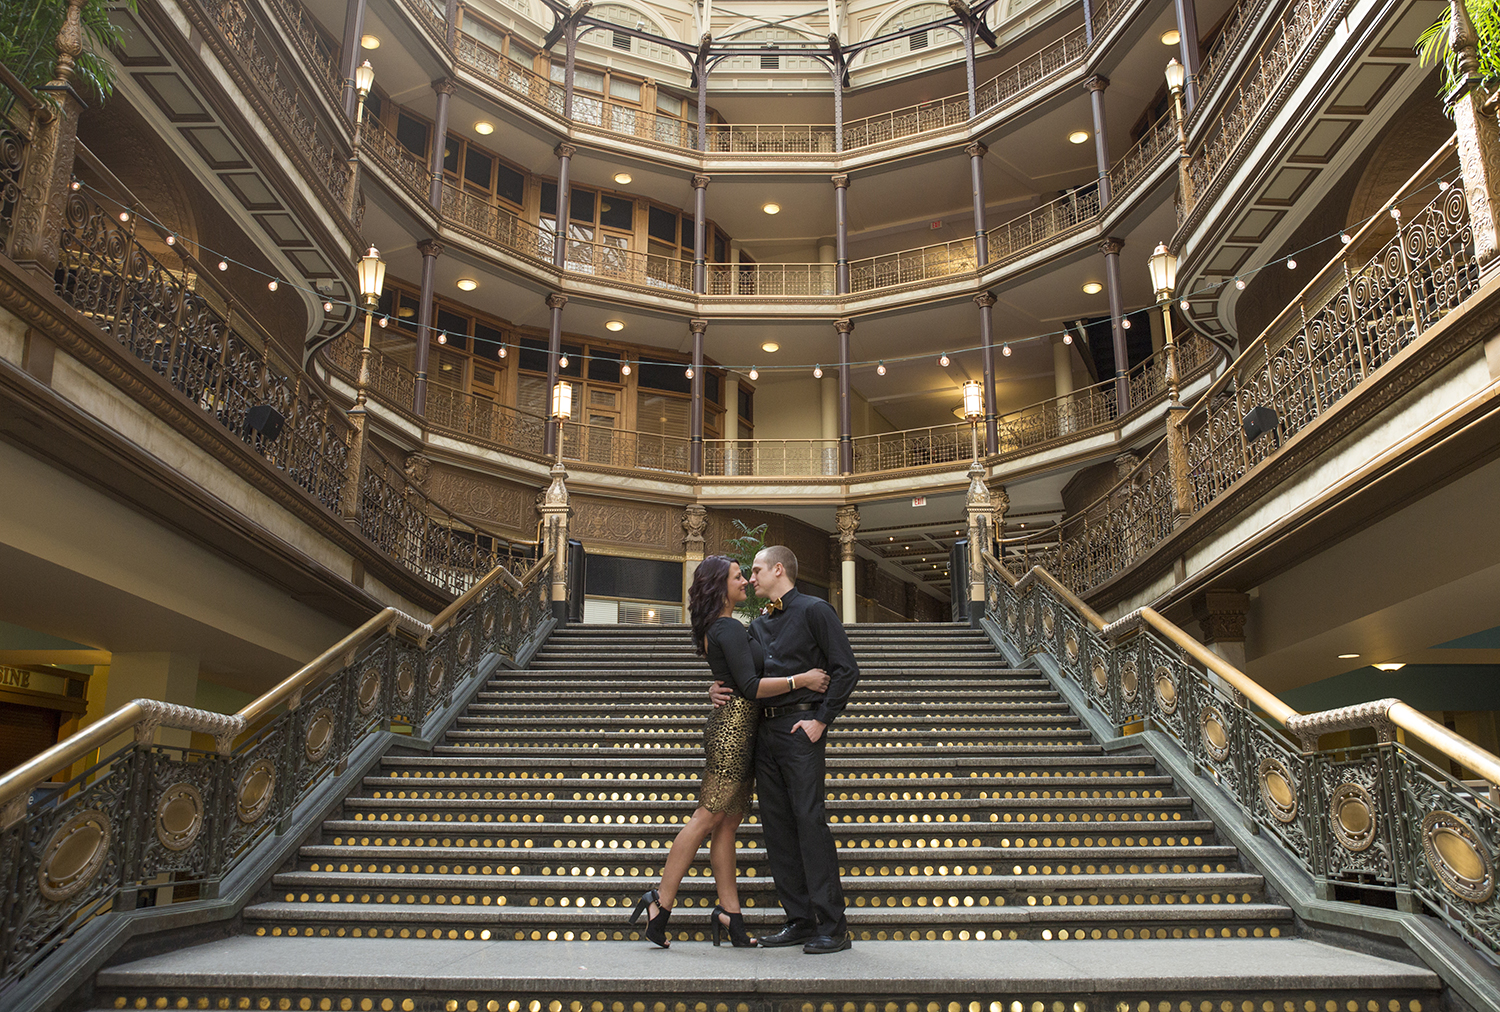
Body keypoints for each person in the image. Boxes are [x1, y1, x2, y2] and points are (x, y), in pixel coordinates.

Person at [629, 555, 829, 949]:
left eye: (746, 574)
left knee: (727, 825)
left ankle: (730, 914)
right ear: (720, 585)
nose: (745, 581)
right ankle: (660, 902)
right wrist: (802, 678)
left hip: (743, 730)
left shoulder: (726, 627)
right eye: (739, 576)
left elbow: (735, 678)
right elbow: (752, 687)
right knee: (707, 817)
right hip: (733, 735)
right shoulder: (727, 627)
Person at [711, 544, 860, 954]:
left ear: (779, 569)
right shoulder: (757, 625)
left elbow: (846, 668)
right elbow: (748, 676)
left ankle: (834, 926)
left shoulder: (815, 610)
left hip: (800, 729)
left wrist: (821, 720)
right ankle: (799, 921)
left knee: (809, 822)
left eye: (756, 570)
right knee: (776, 829)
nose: (751, 578)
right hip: (764, 732)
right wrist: (717, 686)